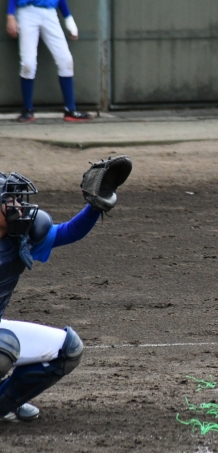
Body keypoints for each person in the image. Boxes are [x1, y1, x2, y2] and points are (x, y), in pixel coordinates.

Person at [0, 161, 127, 421]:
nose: (17, 206)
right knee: (4, 347)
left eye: (16, 199)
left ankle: (4, 401)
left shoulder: (18, 239)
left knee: (67, 349)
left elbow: (69, 232)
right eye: (8, 201)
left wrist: (95, 206)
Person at [6, 0, 93, 123]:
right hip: (26, 12)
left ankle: (70, 109)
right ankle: (27, 109)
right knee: (28, 64)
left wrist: (68, 18)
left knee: (66, 60)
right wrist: (10, 15)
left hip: (50, 13)